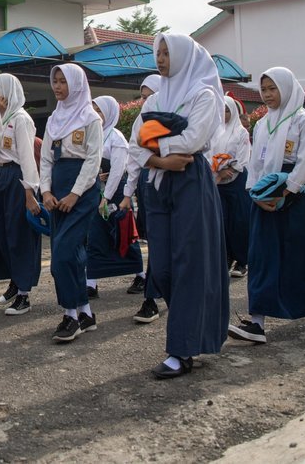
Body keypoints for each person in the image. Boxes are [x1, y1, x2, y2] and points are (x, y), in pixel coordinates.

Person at [126, 33, 228, 379]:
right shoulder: (155, 100)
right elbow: (133, 145)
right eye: (159, 53)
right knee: (164, 267)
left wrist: (152, 144)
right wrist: (159, 160)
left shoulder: (204, 94)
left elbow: (193, 139)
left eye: (168, 53)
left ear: (185, 56)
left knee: (188, 264)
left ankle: (181, 349)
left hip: (191, 182)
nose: (162, 59)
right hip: (160, 182)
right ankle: (192, 325)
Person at [228, 67, 305, 344]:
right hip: (266, 193)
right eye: (264, 89)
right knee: (263, 256)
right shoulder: (262, 123)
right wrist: (255, 194)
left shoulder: (304, 122)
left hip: (298, 193)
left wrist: (287, 192)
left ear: (287, 88)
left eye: (272, 88)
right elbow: (255, 164)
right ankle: (257, 322)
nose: (267, 95)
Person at [39, 64, 103, 342]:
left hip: (82, 191)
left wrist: (75, 193)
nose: (57, 86)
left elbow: (93, 160)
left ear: (76, 84)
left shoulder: (91, 119)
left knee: (62, 255)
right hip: (57, 190)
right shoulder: (54, 119)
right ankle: (85, 313)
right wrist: (45, 192)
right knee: (72, 255)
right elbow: (45, 159)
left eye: (63, 81)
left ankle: (70, 316)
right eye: (55, 81)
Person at [0, 73, 41, 316]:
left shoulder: (21, 119)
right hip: (0, 178)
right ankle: (14, 280)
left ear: (5, 93)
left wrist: (29, 192)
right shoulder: (1, 119)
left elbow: (27, 157)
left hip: (17, 179)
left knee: (18, 236)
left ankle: (24, 293)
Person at [85, 96, 143, 303]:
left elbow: (118, 171)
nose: (96, 115)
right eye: (93, 110)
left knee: (123, 235)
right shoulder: (93, 134)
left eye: (99, 111)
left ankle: (140, 275)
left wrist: (106, 197)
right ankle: (90, 283)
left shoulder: (116, 137)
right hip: (96, 192)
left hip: (115, 195)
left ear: (109, 113)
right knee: (95, 238)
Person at [122, 74, 163, 324]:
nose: (146, 102)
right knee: (157, 242)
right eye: (144, 97)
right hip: (150, 187)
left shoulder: (176, 114)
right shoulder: (142, 120)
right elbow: (135, 159)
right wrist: (128, 194)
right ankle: (151, 298)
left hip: (178, 183)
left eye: (151, 96)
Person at [210, 95, 252, 278]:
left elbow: (243, 158)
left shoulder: (240, 132)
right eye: (222, 110)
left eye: (227, 110)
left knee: (239, 221)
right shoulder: (214, 131)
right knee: (223, 221)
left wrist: (229, 169)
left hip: (237, 181)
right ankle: (226, 257)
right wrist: (218, 172)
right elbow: (209, 154)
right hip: (219, 181)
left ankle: (242, 261)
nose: (224, 114)